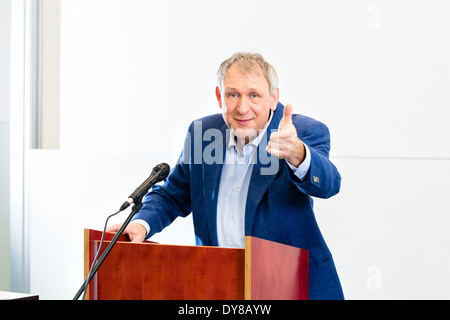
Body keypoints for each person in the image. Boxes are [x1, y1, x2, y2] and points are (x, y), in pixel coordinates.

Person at [106, 52, 344, 299]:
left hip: (290, 285)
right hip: (220, 283)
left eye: (254, 95)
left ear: (273, 98)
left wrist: (299, 154)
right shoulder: (203, 132)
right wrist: (140, 224)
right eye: (233, 95)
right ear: (220, 96)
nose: (243, 108)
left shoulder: (300, 132)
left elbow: (329, 184)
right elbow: (173, 194)